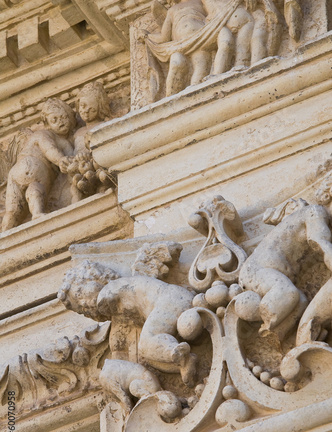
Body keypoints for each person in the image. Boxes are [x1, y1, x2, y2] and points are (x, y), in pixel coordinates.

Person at [58, 260, 198, 386]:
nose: (83, 302)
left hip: (170, 300)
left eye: (80, 293)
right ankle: (182, 362)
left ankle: (177, 351)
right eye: (81, 309)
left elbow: (108, 305)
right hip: (171, 304)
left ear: (94, 278)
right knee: (148, 356)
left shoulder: (108, 290)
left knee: (147, 342)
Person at [237, 186, 332, 342]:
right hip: (255, 271)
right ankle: (266, 323)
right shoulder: (314, 212)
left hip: (271, 273)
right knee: (288, 293)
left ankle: (279, 338)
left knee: (301, 302)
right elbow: (322, 245)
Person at [2, 98, 76, 231]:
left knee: (13, 208)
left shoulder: (65, 143)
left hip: (16, 172)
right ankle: (36, 214)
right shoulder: (43, 134)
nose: (61, 122)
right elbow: (48, 148)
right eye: (54, 119)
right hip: (34, 165)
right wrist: (60, 160)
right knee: (36, 188)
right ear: (47, 124)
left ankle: (5, 230)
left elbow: (72, 159)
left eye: (64, 117)